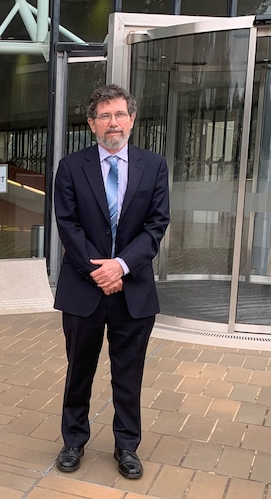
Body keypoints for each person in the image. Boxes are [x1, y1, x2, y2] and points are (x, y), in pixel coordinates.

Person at [52, 84, 170, 480]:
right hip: (83, 289)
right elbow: (67, 225)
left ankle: (127, 446)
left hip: (133, 290)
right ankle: (73, 441)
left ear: (132, 120)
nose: (113, 123)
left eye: (119, 114)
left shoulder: (154, 166)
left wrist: (120, 266)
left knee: (129, 372)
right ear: (91, 124)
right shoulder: (71, 167)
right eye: (104, 116)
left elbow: (156, 225)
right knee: (79, 370)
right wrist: (99, 271)